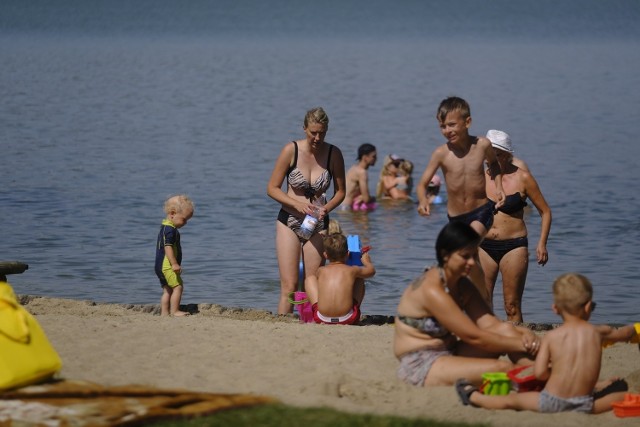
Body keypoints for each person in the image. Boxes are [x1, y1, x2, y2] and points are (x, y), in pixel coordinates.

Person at [455, 273, 637, 414]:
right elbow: (623, 334)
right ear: (588, 307)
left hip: (550, 402)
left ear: (555, 309)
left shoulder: (552, 337)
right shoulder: (599, 333)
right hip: (585, 404)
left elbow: (541, 373)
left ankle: (475, 396)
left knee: (512, 401)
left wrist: (556, 371)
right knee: (623, 394)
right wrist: (635, 330)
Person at [394, 222, 540, 387]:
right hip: (421, 361)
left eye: (473, 255)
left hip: (450, 351)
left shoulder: (462, 283)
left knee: (506, 330)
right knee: (502, 368)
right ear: (445, 255)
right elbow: (474, 337)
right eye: (465, 256)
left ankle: (541, 375)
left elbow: (490, 324)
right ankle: (540, 381)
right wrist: (523, 344)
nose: (471, 262)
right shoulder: (432, 289)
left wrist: (523, 332)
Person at [267, 107, 346, 315]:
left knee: (312, 283)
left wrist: (326, 208)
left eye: (322, 132)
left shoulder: (333, 154)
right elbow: (272, 189)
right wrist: (297, 204)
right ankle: (281, 326)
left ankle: (311, 325)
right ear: (304, 129)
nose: (317, 138)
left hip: (317, 223)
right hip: (289, 220)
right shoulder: (290, 150)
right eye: (313, 132)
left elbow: (341, 192)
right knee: (289, 286)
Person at [480, 130, 552, 322]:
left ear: (507, 154)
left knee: (511, 305)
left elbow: (545, 212)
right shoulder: (479, 176)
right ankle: (486, 347)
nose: (490, 159)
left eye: (496, 154)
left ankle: (517, 346)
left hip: (514, 246)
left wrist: (542, 243)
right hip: (483, 246)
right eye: (488, 153)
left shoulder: (523, 178)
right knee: (482, 303)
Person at [416, 96, 505, 237]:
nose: (447, 130)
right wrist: (422, 201)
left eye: (452, 125)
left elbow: (493, 163)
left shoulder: (482, 145)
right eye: (443, 126)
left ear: (467, 122)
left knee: (470, 239)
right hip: (455, 217)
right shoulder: (441, 153)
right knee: (459, 254)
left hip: (481, 211)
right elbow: (422, 185)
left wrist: (499, 187)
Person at [305, 233, 375, 325]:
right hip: (347, 319)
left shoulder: (321, 271)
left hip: (322, 318)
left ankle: (313, 310)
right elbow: (371, 272)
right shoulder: (352, 270)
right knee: (359, 278)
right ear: (348, 253)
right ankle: (355, 309)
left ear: (325, 255)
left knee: (310, 279)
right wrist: (367, 262)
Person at [155, 194, 194, 317]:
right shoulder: (170, 230)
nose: (185, 223)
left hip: (160, 266)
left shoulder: (165, 227)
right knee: (178, 287)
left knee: (167, 290)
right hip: (167, 266)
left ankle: (165, 313)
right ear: (173, 213)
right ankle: (174, 311)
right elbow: (168, 247)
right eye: (184, 219)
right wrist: (174, 263)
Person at [342, 143, 377, 211]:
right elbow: (366, 199)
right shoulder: (362, 172)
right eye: (373, 156)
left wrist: (362, 197)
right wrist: (373, 198)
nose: (376, 159)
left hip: (343, 206)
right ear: (365, 157)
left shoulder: (354, 168)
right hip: (347, 208)